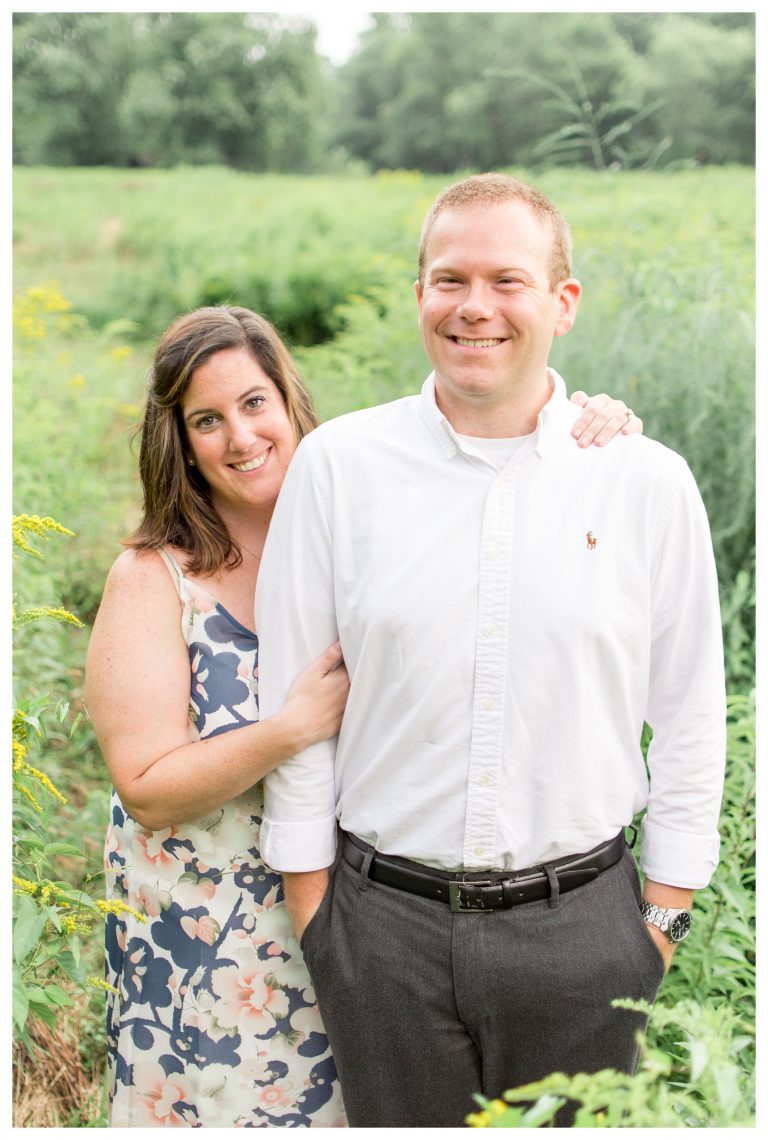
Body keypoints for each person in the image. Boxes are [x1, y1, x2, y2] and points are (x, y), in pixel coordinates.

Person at [86, 300, 636, 1126]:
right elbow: (148, 788)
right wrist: (287, 730)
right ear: (180, 443)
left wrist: (580, 419)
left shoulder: (365, 507)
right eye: (207, 420)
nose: (241, 437)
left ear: (289, 402)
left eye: (254, 403)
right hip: (210, 936)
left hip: (363, 920)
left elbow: (485, 473)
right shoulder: (154, 579)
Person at [255, 174, 726, 1128]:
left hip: (585, 933)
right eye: (448, 278)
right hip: (381, 931)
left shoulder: (644, 484)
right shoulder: (341, 469)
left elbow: (687, 716)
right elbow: (295, 707)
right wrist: (322, 925)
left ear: (563, 302)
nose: (475, 307)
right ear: (419, 294)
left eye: (507, 280)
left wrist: (657, 927)